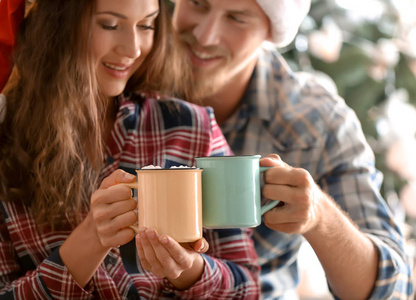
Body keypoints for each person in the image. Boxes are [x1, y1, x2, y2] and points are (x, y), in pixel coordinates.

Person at [0, 0, 261, 298]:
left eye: (146, 25)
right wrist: (90, 239)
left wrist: (188, 270)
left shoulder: (190, 127)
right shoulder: (6, 139)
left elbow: (248, 288)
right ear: (56, 26)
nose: (133, 49)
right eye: (110, 25)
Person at [170, 0, 414, 299]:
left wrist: (320, 217)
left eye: (236, 18)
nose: (206, 35)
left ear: (271, 30)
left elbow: (394, 291)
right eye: (197, 3)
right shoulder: (122, 80)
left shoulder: (318, 120)